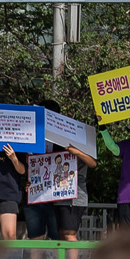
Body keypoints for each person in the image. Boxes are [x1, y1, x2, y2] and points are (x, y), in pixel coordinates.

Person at [23, 102, 97, 242]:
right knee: (61, 234)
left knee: (67, 234)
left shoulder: (68, 140)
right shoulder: (32, 137)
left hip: (71, 195)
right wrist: (32, 182)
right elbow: (40, 169)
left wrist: (74, 151)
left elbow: (92, 163)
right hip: (49, 195)